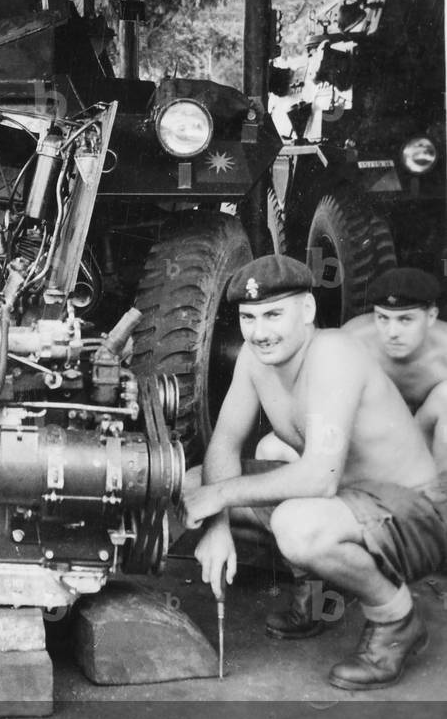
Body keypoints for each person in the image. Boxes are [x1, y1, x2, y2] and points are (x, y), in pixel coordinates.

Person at [181, 255, 447, 691]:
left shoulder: (333, 353)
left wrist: (221, 498)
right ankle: (321, 594)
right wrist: (217, 525)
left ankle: (397, 620)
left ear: (306, 310)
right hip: (344, 504)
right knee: (191, 484)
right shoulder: (255, 358)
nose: (260, 332)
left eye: (273, 315)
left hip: (413, 514)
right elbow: (225, 443)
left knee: (297, 525)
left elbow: (320, 477)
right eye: (248, 318)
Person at [343, 267, 447, 471]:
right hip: (371, 443)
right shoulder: (354, 341)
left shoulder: (444, 351)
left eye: (405, 319)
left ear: (431, 316)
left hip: (426, 439)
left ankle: (440, 486)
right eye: (383, 318)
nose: (392, 333)